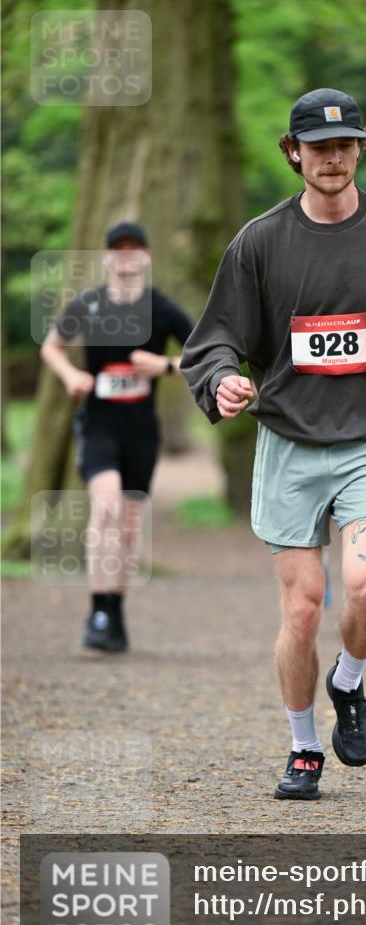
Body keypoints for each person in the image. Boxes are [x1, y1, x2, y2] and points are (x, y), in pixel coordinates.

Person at [181, 88, 366, 801]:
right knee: (302, 608)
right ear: (293, 153)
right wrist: (221, 381)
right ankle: (303, 748)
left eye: (345, 146)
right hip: (289, 444)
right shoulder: (259, 243)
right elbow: (213, 341)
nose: (333, 158)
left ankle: (349, 681)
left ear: (359, 150)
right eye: (319, 147)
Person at [40, 222, 193, 652]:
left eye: (134, 248)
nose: (126, 255)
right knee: (105, 506)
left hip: (141, 431)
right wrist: (71, 375)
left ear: (146, 256)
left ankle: (116, 612)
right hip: (99, 424)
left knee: (128, 525)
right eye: (117, 248)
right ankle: (97, 611)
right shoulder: (89, 304)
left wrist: (164, 366)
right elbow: (51, 346)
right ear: (107, 258)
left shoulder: (162, 308)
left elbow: (204, 356)